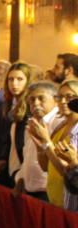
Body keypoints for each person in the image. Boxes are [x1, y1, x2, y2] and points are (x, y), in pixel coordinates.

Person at [29, 79, 78, 207]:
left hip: (70, 201)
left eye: (69, 97)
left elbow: (68, 172)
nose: (62, 101)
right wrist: (40, 148)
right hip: (54, 200)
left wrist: (46, 142)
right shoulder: (60, 126)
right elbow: (46, 167)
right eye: (60, 97)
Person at [14, 81, 59, 200]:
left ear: (55, 100)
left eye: (41, 98)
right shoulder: (32, 122)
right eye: (32, 100)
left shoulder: (58, 123)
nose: (36, 103)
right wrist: (21, 178)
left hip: (47, 191)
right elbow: (27, 155)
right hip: (29, 189)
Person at [5, 63, 35, 185]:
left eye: (20, 79)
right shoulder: (9, 104)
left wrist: (21, 174)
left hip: (24, 171)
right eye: (10, 79)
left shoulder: (29, 108)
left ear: (28, 81)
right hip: (12, 167)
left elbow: (26, 146)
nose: (14, 84)